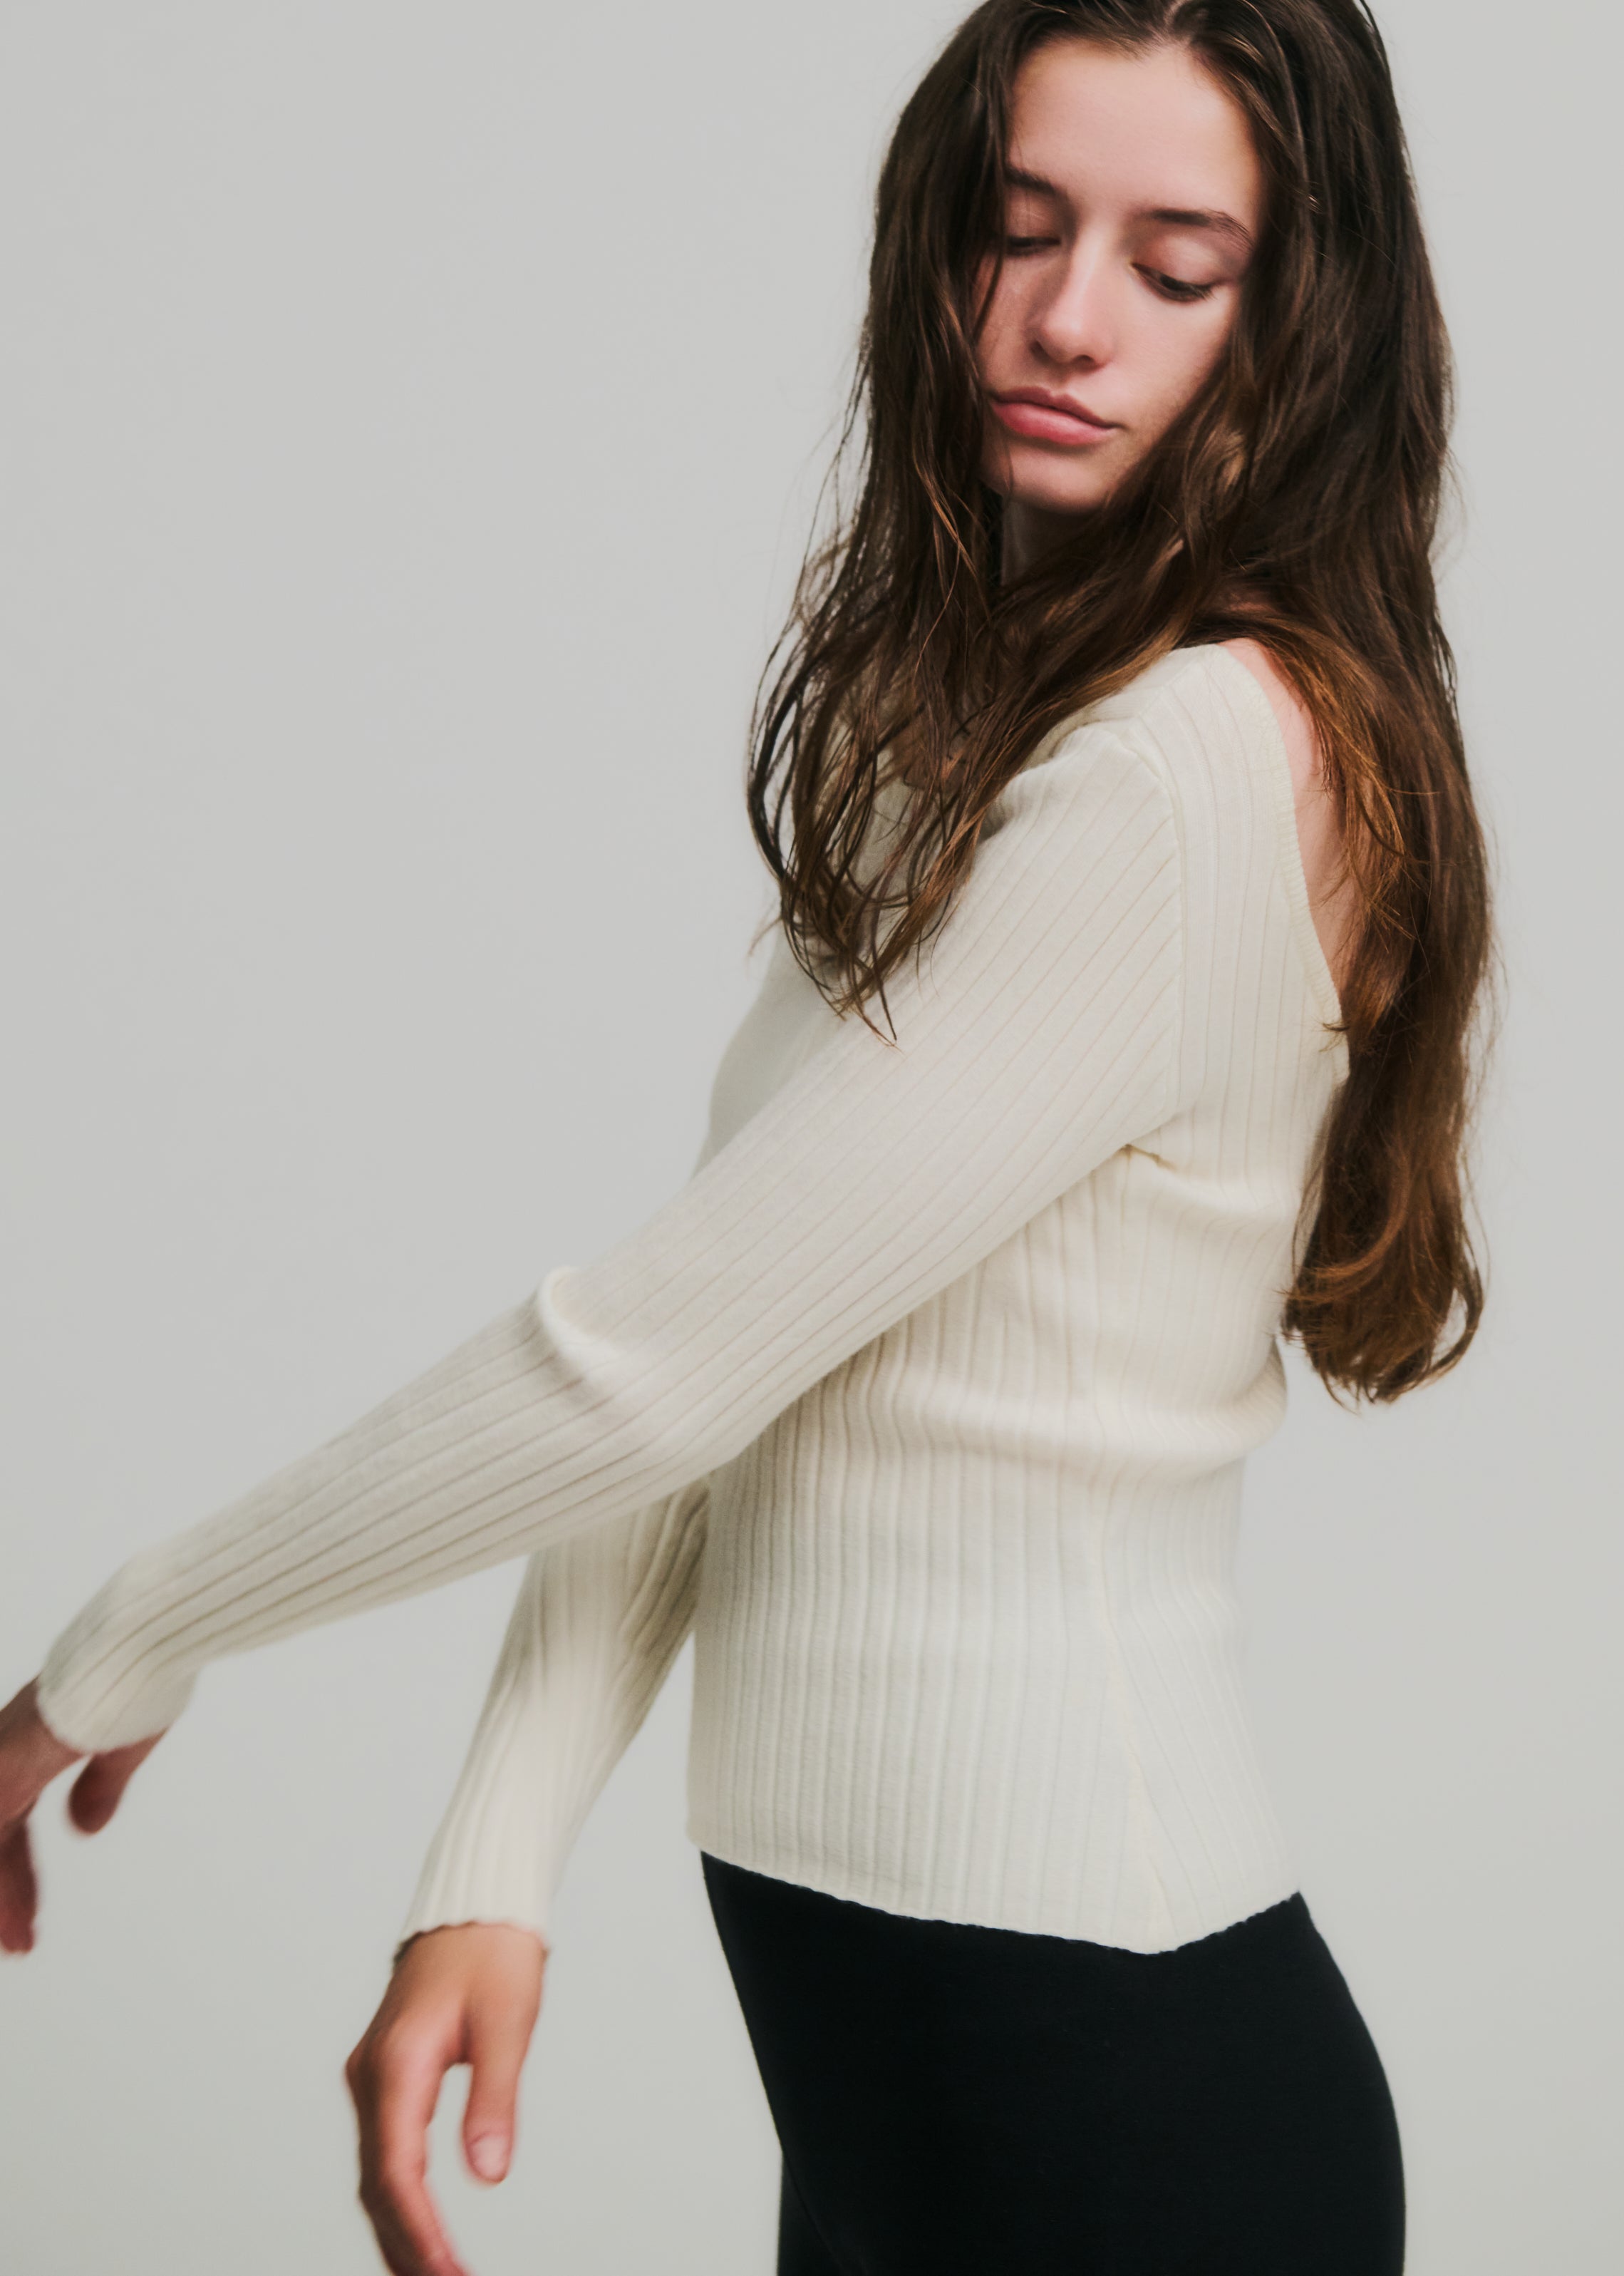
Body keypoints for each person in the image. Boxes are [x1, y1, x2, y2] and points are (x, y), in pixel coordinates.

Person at [0, 2, 1494, 2271]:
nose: (1066, 317)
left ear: (1299, 318)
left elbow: (645, 1364)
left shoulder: (1192, 767)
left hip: (1117, 2103)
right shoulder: (977, 721)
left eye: (1175, 265)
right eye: (1017, 228)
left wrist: (123, 1640)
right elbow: (742, 1323)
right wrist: (496, 1860)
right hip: (906, 2088)